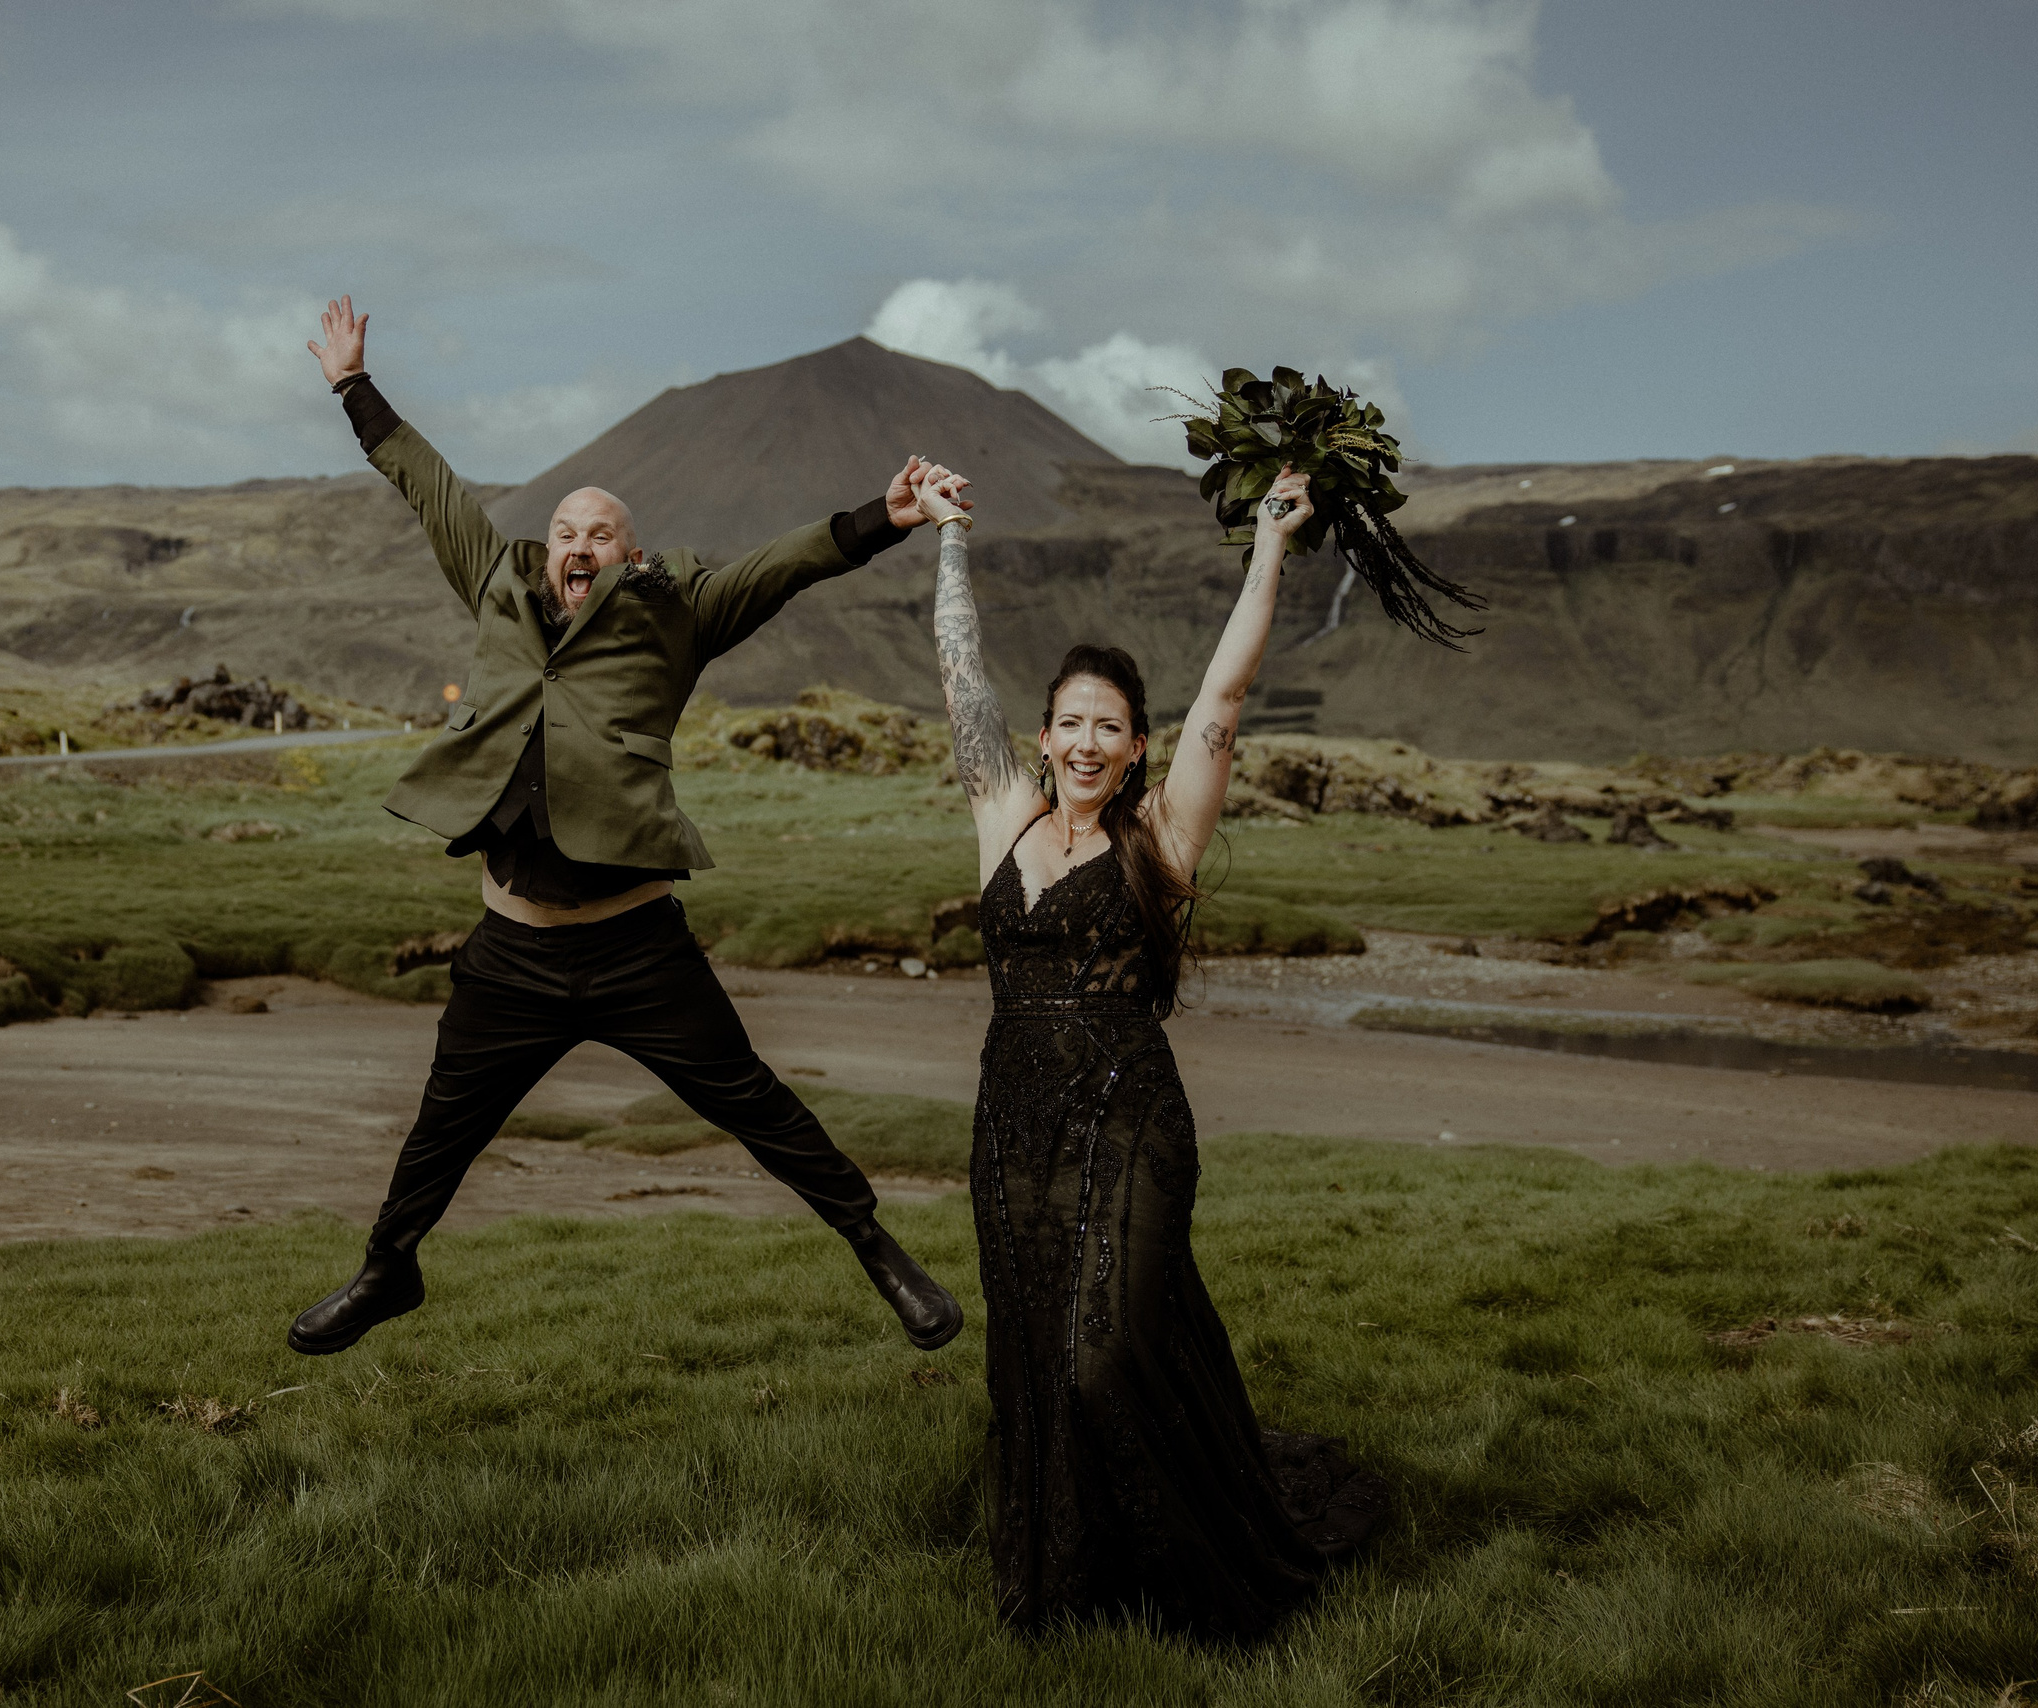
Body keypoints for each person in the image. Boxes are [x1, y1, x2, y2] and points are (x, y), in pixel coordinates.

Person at [288, 297, 967, 1357]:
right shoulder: (498, 583)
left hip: (633, 945)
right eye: (564, 529)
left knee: (752, 1099)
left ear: (628, 553)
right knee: (442, 1124)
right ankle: (388, 1268)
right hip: (512, 948)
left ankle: (875, 1246)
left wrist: (886, 515)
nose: (577, 543)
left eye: (598, 532)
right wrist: (350, 384)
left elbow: (787, 562)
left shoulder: (677, 609)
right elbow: (428, 484)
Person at [912, 462, 1387, 1640]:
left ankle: (1206, 1574)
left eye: (1107, 727)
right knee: (1034, 1365)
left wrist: (1271, 545)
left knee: (1102, 1356)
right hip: (1011, 1128)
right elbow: (959, 675)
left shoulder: (1161, 835)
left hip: (1129, 1122)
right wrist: (950, 540)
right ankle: (1083, 1582)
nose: (1084, 742)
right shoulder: (1003, 819)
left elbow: (1227, 692)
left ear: (1135, 749)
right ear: (1045, 736)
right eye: (1068, 722)